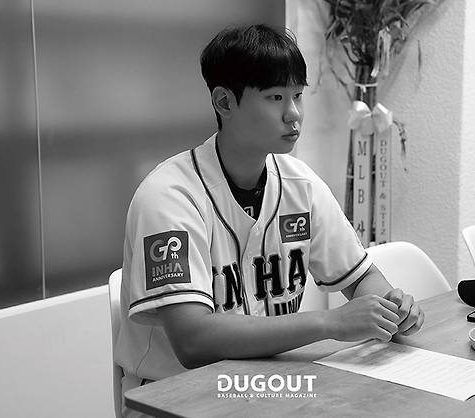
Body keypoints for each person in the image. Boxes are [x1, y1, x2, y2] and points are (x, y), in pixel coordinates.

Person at [115, 23, 423, 415]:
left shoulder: (300, 183)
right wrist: (331, 323)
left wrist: (391, 308)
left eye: (298, 95)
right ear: (224, 102)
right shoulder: (168, 197)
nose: (293, 114)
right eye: (275, 97)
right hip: (171, 398)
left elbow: (361, 279)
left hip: (270, 386)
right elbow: (193, 340)